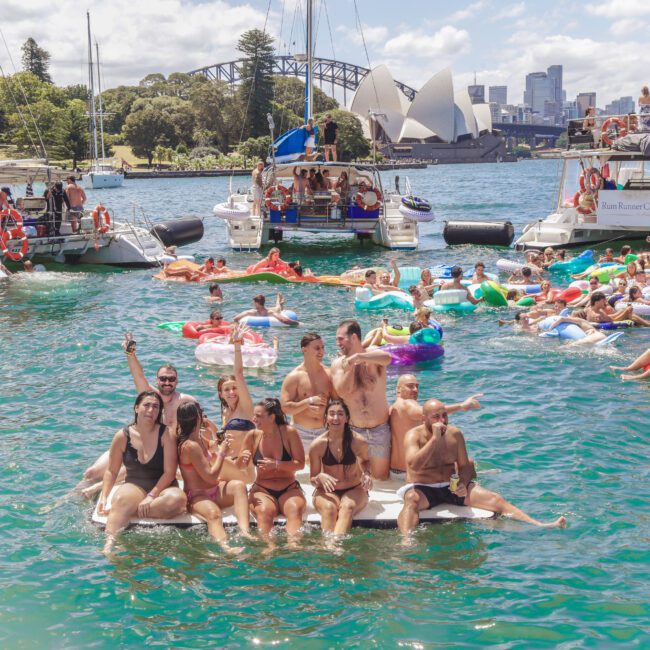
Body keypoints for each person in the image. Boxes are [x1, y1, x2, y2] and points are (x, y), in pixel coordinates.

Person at [397, 399, 567, 535]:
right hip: (423, 488)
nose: (442, 421)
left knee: (495, 499)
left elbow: (463, 466)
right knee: (411, 500)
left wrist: (463, 484)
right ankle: (406, 540)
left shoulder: (455, 434)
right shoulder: (413, 436)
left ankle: (539, 525)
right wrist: (435, 439)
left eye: (445, 415)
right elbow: (414, 466)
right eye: (436, 417)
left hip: (451, 487)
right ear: (424, 418)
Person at [81, 336, 194, 486]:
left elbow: (201, 426)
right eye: (163, 378)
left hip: (163, 455)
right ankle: (69, 498)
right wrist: (130, 353)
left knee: (114, 475)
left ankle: (99, 489)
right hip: (138, 444)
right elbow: (138, 375)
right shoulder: (151, 398)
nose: (167, 382)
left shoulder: (186, 402)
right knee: (91, 473)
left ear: (177, 381)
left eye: (171, 379)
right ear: (157, 381)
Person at [97, 391, 187, 552]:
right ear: (136, 408)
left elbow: (169, 473)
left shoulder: (166, 434)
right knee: (122, 499)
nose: (151, 410)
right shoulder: (122, 436)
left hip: (163, 488)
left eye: (156, 407)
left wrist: (151, 496)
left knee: (178, 500)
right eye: (146, 405)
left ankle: (128, 512)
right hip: (135, 485)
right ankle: (109, 544)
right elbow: (111, 471)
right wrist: (104, 496)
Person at [176, 400, 251, 550]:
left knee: (239, 486)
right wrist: (222, 453)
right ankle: (226, 547)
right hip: (197, 496)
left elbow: (211, 446)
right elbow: (210, 476)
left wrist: (218, 439)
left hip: (215, 490)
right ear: (197, 417)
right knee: (213, 514)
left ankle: (245, 531)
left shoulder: (198, 437)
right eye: (201, 413)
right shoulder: (190, 445)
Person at [330, 319, 392, 480]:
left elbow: (387, 358)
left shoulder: (373, 354)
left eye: (340, 338)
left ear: (354, 337)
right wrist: (351, 366)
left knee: (381, 478)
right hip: (354, 431)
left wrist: (359, 357)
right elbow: (342, 391)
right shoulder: (338, 365)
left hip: (379, 429)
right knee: (355, 477)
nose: (337, 343)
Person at [388, 375, 482, 480]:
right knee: (468, 464)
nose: (415, 390)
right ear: (398, 389)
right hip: (411, 472)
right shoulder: (407, 404)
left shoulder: (393, 408)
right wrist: (462, 406)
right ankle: (468, 490)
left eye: (417, 386)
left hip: (395, 472)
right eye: (410, 386)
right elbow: (431, 412)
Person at [240, 398, 306, 543]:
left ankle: (294, 547)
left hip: (289, 488)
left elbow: (300, 464)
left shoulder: (289, 433)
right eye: (254, 415)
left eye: (258, 416)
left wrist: (276, 464)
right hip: (263, 489)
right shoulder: (252, 435)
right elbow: (240, 468)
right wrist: (242, 460)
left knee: (294, 510)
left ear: (272, 417)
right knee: (264, 512)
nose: (254, 419)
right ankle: (269, 550)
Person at [310, 400, 372, 536]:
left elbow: (366, 461)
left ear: (347, 418)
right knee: (329, 508)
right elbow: (312, 479)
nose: (335, 418)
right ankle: (329, 545)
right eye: (331, 414)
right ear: (325, 417)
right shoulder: (317, 445)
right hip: (326, 491)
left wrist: (367, 474)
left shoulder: (358, 441)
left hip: (354, 489)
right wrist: (319, 477)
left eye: (340, 414)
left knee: (347, 507)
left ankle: (335, 545)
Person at [215, 326, 258, 484]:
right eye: (227, 389)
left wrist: (237, 345)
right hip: (229, 461)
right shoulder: (225, 412)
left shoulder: (245, 407)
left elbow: (238, 373)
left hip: (244, 469)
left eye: (234, 388)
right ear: (221, 394)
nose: (232, 392)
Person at [280, 333, 335, 455]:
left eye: (322, 347)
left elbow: (338, 403)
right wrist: (308, 402)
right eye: (317, 348)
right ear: (304, 349)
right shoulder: (294, 377)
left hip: (325, 431)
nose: (321, 352)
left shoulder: (329, 374)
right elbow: (285, 408)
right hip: (301, 433)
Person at [233, 292, 299, 326]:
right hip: (267, 311)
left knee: (278, 308)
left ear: (257, 303)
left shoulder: (270, 312)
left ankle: (279, 299)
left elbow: (284, 320)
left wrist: (297, 323)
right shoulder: (253, 312)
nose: (253, 304)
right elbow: (236, 318)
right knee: (277, 308)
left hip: (273, 310)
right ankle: (279, 301)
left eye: (254, 303)